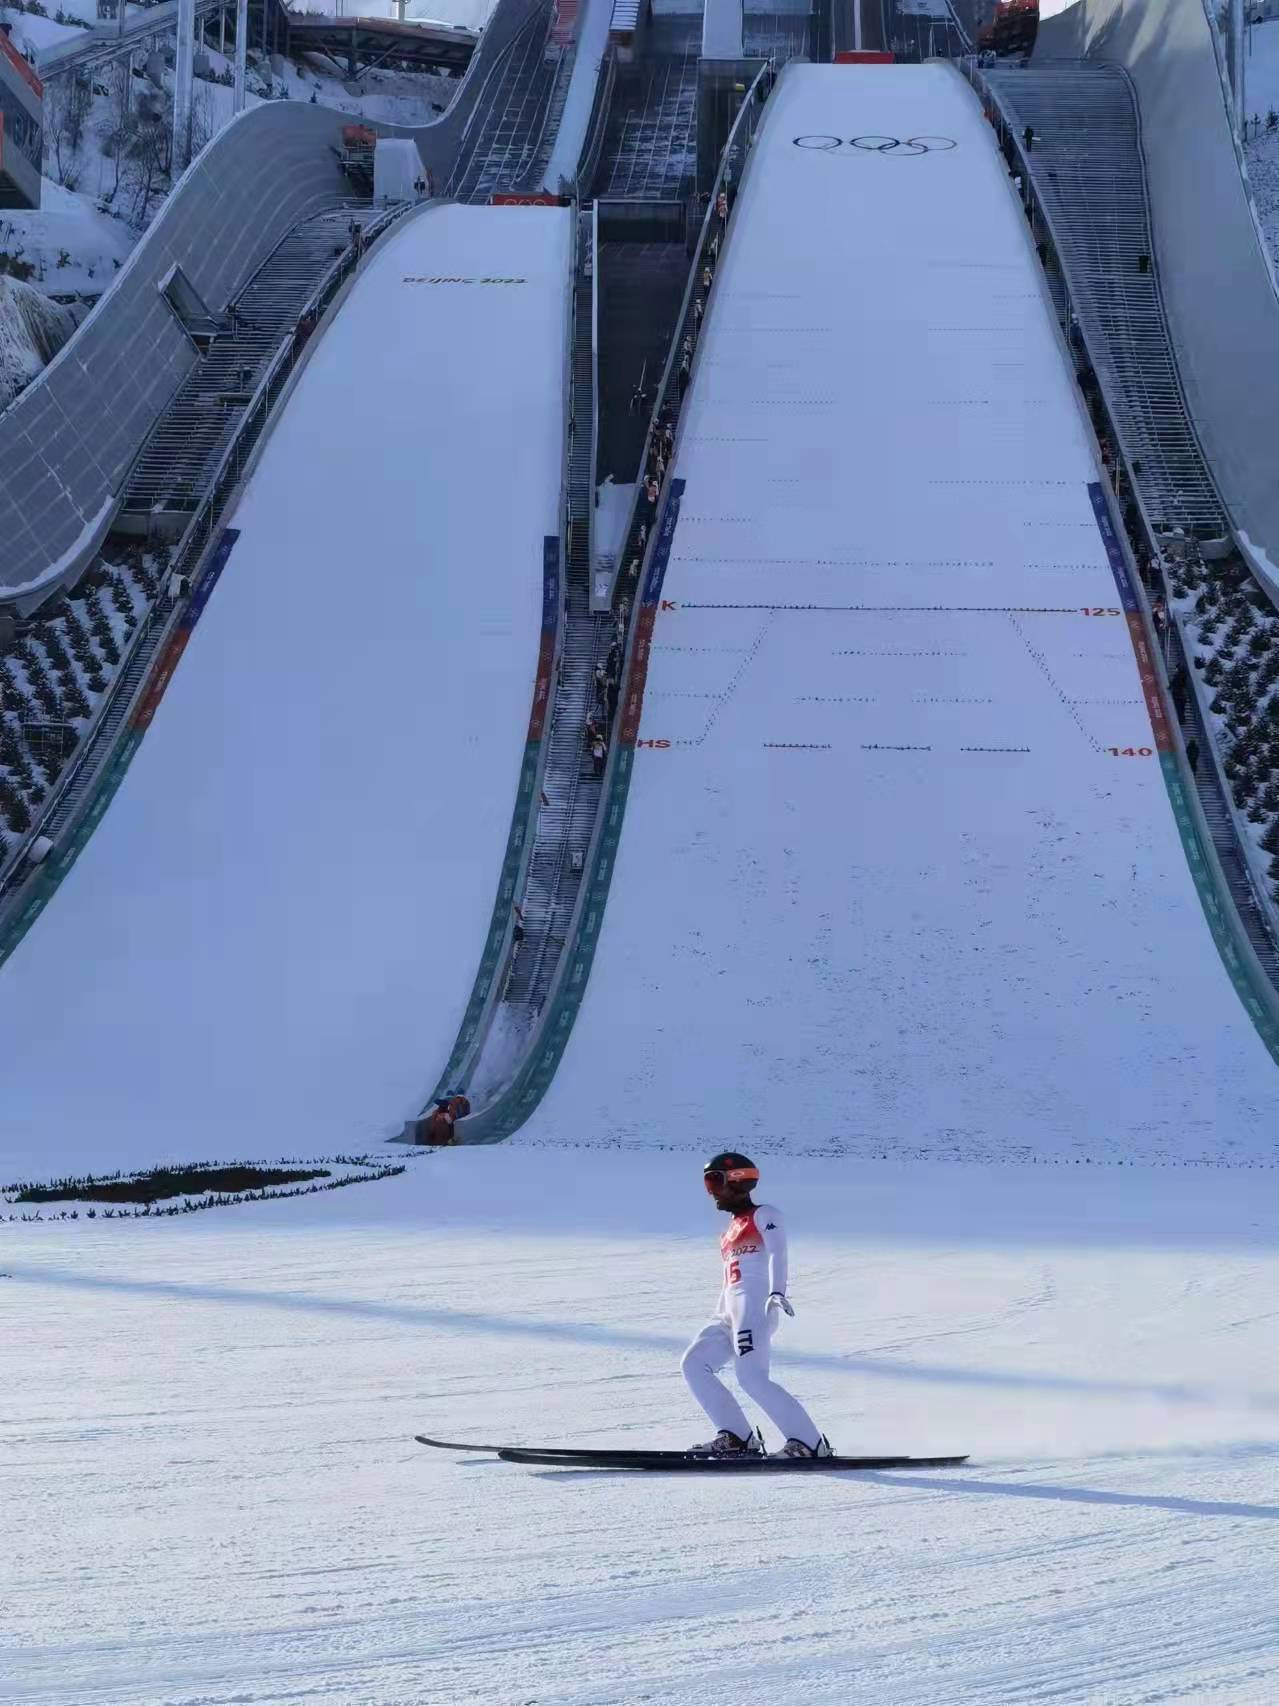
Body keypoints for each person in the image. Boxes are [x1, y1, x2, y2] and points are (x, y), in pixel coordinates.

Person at [681, 1152, 832, 1458]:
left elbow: (778, 1253)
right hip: (728, 1313)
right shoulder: (728, 1233)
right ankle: (737, 1436)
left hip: (755, 1308)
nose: (710, 1191)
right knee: (694, 1364)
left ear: (738, 1181)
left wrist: (777, 1292)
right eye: (707, 1183)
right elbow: (730, 1280)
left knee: (751, 1378)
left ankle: (809, 1443)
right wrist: (720, 1313)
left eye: (715, 1181)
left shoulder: (765, 1215)